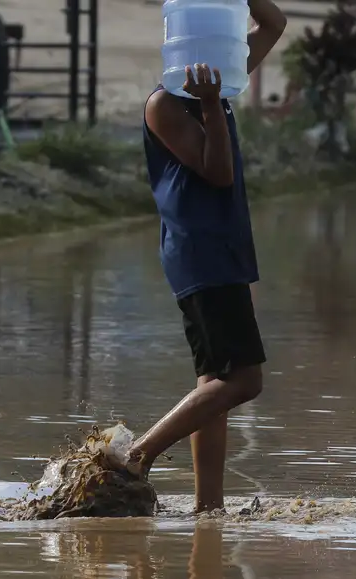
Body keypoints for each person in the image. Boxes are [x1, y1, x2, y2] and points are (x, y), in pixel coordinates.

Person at [121, 0, 287, 513]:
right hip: (201, 252)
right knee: (244, 381)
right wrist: (212, 103)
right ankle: (137, 455)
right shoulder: (165, 105)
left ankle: (208, 508)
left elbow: (274, 24)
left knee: (214, 384)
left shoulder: (225, 79)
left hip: (223, 248)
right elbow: (218, 173)